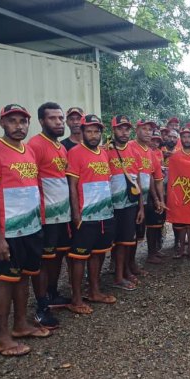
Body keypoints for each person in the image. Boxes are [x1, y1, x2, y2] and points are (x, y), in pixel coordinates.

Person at [0, 104, 51, 357]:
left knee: (25, 276)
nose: (19, 125)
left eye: (23, 121)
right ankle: (2, 338)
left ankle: (20, 325)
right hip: (7, 232)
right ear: (2, 124)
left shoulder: (28, 151)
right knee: (5, 281)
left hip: (30, 228)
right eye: (13, 121)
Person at [66, 114, 116, 314]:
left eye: (97, 131)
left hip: (104, 214)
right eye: (89, 131)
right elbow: (72, 186)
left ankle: (94, 291)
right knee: (79, 257)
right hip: (85, 216)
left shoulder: (104, 153)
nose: (93, 135)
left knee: (98, 253)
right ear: (82, 132)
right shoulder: (76, 153)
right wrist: (76, 214)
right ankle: (76, 299)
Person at [28, 102, 72, 330]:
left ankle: (52, 294)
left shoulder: (60, 147)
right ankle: (41, 306)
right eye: (53, 118)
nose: (59, 122)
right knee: (44, 261)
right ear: (42, 121)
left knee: (57, 257)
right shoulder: (35, 145)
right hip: (46, 216)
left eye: (61, 118)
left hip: (62, 215)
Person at [107, 115, 145, 290]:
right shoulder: (105, 150)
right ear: (113, 129)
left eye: (127, 128)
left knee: (125, 241)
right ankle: (114, 273)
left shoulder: (134, 151)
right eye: (120, 128)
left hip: (129, 205)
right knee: (110, 242)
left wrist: (140, 207)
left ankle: (121, 275)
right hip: (109, 206)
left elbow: (137, 181)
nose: (124, 132)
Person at [130, 120, 167, 264]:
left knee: (150, 225)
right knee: (130, 233)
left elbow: (156, 178)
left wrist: (160, 200)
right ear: (136, 130)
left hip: (146, 197)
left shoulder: (151, 154)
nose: (147, 132)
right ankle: (125, 264)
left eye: (150, 130)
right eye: (144, 129)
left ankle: (151, 254)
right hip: (131, 197)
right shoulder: (130, 147)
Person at [170, 126, 190, 260]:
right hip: (180, 192)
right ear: (180, 138)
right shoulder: (176, 155)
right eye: (184, 137)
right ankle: (181, 249)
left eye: (189, 136)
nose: (186, 139)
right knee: (181, 223)